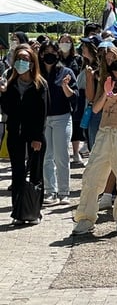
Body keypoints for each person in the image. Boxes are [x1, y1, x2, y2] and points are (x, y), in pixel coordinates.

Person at [72, 45, 117, 234]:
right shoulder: (104, 79)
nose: (110, 62)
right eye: (107, 59)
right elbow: (95, 109)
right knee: (92, 174)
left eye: (113, 58)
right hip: (105, 131)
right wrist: (106, 91)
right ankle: (85, 218)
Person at [0, 45, 47, 225]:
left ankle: (34, 211)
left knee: (35, 173)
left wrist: (37, 137)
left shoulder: (39, 84)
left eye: (26, 59)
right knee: (18, 173)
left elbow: (42, 113)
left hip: (34, 135)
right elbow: (7, 110)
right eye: (19, 58)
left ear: (32, 62)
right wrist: (3, 93)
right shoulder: (10, 83)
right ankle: (18, 211)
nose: (22, 62)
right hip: (15, 134)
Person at [39, 41, 78, 205]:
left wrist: (65, 86)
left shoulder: (66, 72)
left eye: (53, 52)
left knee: (61, 156)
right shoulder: (37, 73)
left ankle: (64, 192)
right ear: (40, 55)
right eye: (46, 51)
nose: (50, 55)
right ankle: (50, 191)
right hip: (43, 119)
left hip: (62, 117)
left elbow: (75, 97)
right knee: (46, 156)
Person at [58, 33, 86, 165]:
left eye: (67, 41)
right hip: (58, 93)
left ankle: (75, 152)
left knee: (75, 123)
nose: (65, 43)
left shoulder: (78, 59)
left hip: (74, 92)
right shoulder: (55, 58)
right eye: (62, 41)